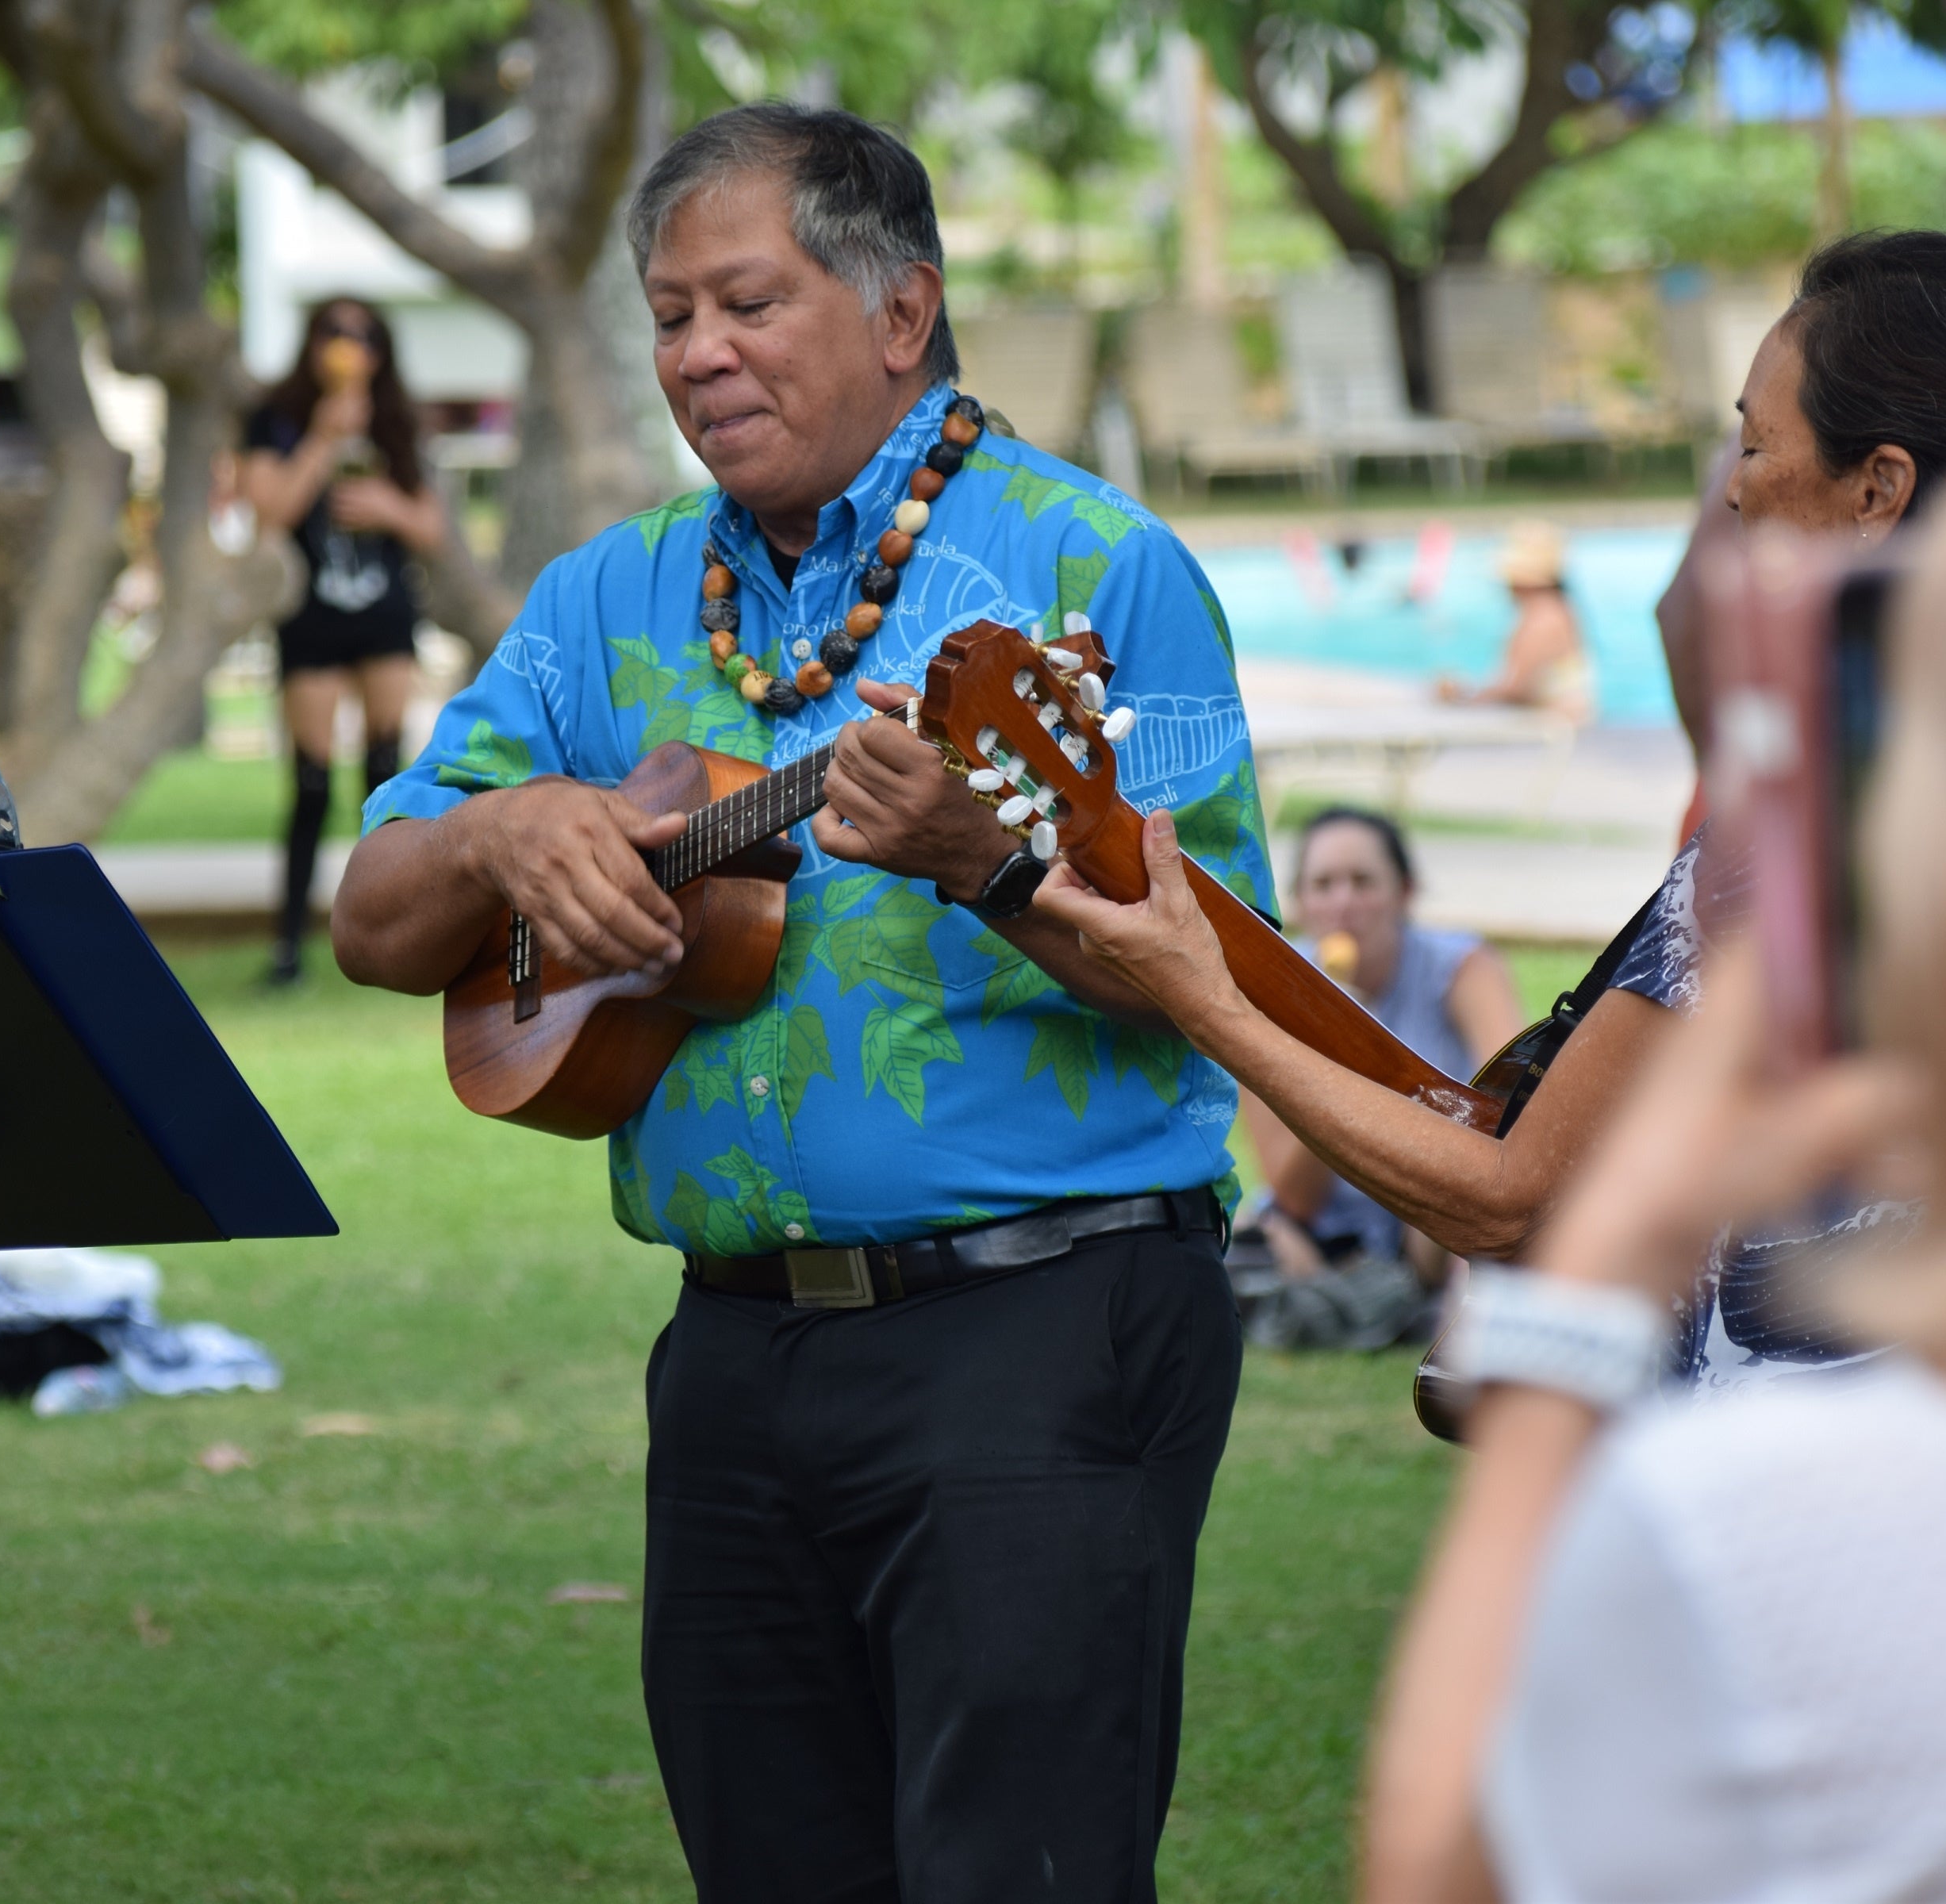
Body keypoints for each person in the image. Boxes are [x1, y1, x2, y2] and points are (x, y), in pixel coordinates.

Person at [332, 102, 1274, 1901]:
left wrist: (979, 851)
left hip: (1042, 1323)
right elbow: (379, 918)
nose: (700, 352)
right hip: (733, 1354)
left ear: (901, 311)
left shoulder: (1092, 576)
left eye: (745, 302)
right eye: (670, 312)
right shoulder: (602, 597)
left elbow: (1221, 979)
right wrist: (513, 828)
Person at [1364, 366, 1946, 1904]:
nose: (1732, 483)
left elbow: (1445, 1863)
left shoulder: (1779, 1540)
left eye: (1754, 437)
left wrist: (1586, 1307)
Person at [1034, 232, 1946, 1366]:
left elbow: (1512, 1201)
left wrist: (1205, 1001)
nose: (1733, 489)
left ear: (1878, 488)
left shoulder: (1800, 829)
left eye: (1754, 443)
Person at [1235, 808, 1523, 1349]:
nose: (1344, 903)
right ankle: (1384, 1304)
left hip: (1435, 1206)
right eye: (1324, 885)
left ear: (1404, 893)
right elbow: (1294, 1197)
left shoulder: (1461, 969)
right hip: (1326, 1227)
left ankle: (1427, 1306)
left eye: (1363, 882)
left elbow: (1517, 1108)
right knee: (1265, 1239)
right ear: (1301, 903)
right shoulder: (1270, 991)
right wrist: (1337, 1055)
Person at [241, 298, 451, 985]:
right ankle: (290, 946)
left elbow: (432, 528)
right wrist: (324, 439)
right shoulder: (275, 419)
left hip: (384, 613)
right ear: (311, 343)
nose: (347, 346)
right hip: (310, 615)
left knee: (387, 774)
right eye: (334, 332)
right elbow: (267, 512)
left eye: (363, 335)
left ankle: (389, 933)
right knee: (310, 781)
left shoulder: (396, 423)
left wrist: (387, 506)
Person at [1436, 522, 1591, 721]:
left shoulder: (1544, 619)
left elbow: (1516, 690)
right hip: (1556, 728)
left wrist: (1463, 695)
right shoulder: (1554, 610)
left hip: (1555, 733)